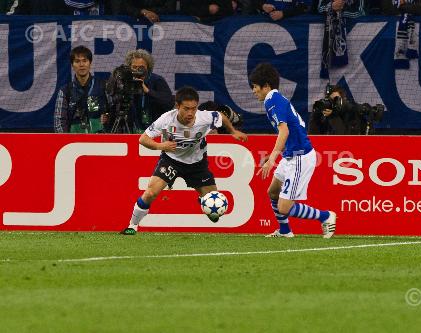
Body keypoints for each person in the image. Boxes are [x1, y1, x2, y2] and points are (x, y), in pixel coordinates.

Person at [121, 86, 248, 235]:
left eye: (193, 109)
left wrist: (233, 131)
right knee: (150, 193)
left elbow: (221, 116)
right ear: (177, 106)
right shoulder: (166, 119)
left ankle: (202, 201)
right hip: (171, 160)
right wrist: (160, 146)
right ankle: (132, 226)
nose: (190, 113)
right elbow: (143, 139)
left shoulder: (204, 117)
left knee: (215, 207)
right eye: (186, 109)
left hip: (197, 164)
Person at [249, 63, 336, 238]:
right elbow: (288, 132)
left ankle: (326, 216)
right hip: (290, 155)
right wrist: (276, 153)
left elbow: (284, 131)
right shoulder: (273, 100)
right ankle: (285, 231)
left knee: (284, 207)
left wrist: (273, 157)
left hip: (300, 158)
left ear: (266, 86)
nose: (253, 91)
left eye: (255, 87)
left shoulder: (273, 101)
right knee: (272, 192)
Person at [107, 49, 174, 133]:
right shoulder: (125, 82)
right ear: (129, 67)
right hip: (131, 130)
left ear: (148, 68)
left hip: (154, 132)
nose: (137, 71)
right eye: (134, 67)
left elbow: (169, 103)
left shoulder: (157, 80)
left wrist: (148, 91)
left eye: (141, 68)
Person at [54, 45, 108, 133]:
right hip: (73, 141)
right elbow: (59, 121)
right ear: (72, 65)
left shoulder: (103, 86)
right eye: (77, 61)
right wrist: (65, 141)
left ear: (90, 63)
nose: (81, 65)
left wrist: (107, 117)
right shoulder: (65, 91)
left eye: (84, 61)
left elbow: (113, 112)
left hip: (100, 139)